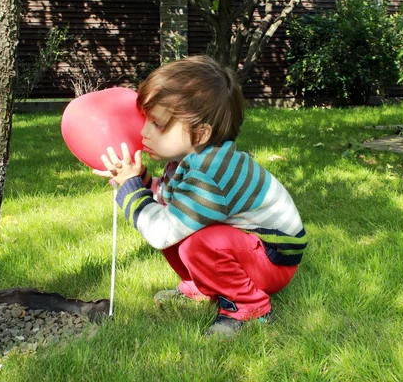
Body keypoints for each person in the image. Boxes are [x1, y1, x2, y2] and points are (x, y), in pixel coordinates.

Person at [93, 55, 307, 336]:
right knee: (180, 225)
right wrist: (140, 180)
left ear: (201, 133)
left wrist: (130, 189)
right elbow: (168, 200)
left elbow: (160, 232)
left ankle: (249, 307)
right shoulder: (191, 159)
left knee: (198, 242)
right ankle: (204, 285)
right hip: (253, 248)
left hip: (274, 258)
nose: (143, 131)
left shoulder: (210, 173)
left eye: (157, 124)